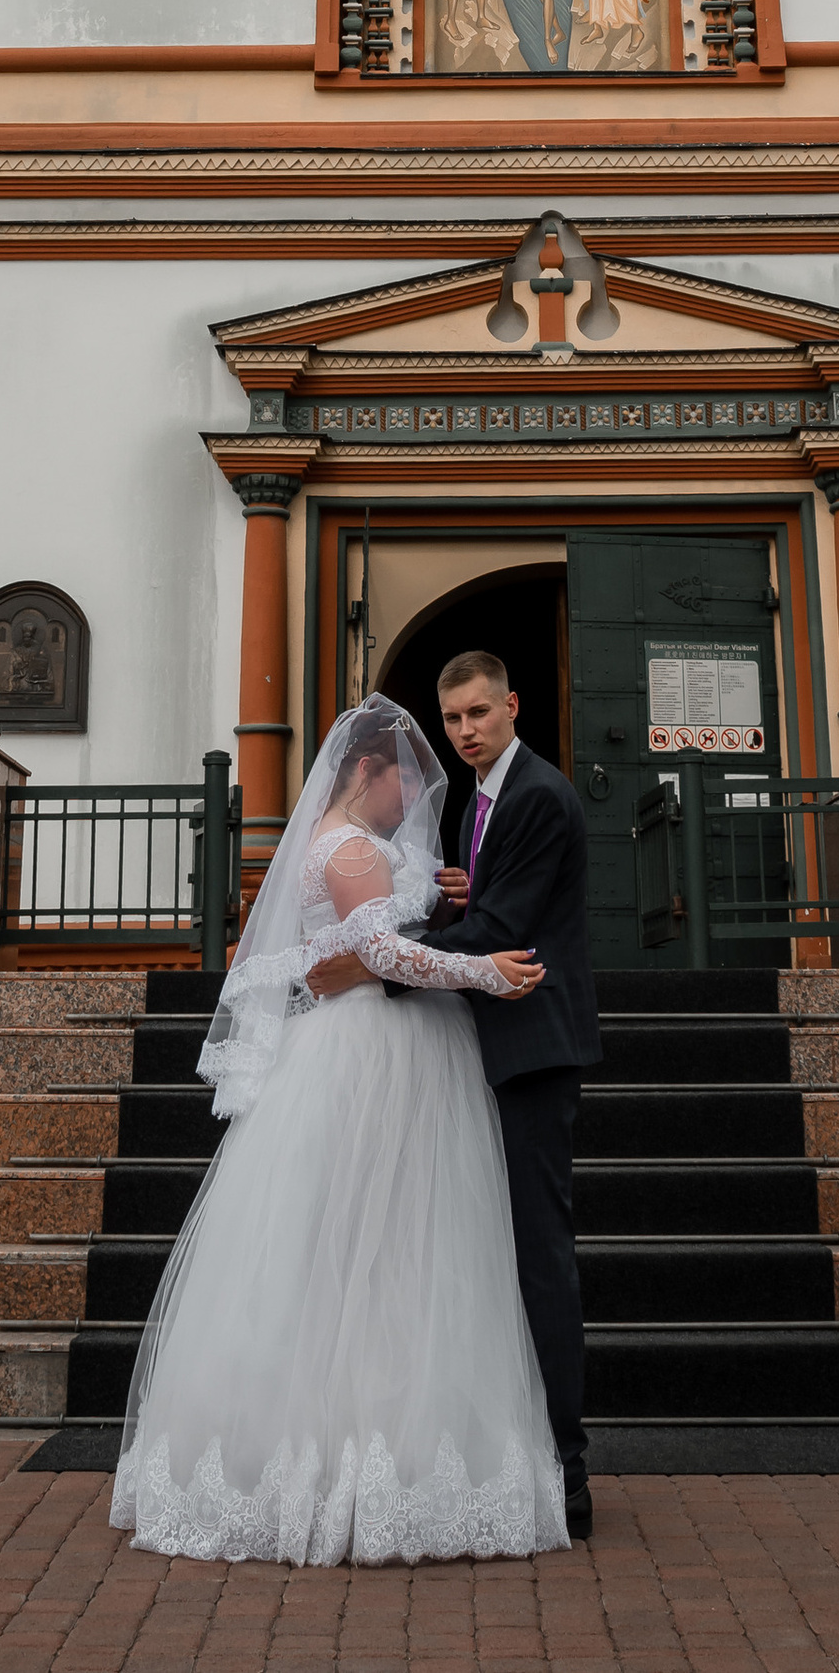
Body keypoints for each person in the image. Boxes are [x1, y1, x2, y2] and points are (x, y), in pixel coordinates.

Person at [109, 697, 567, 1566]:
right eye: (405, 779)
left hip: (371, 1042)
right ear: (367, 770)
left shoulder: (346, 840)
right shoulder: (348, 844)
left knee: (380, 1244)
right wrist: (486, 970)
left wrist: (432, 886)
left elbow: (370, 925)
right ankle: (340, 1457)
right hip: (368, 1051)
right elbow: (381, 953)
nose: (413, 798)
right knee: (371, 1243)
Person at [359, 648, 604, 1543]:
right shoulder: (483, 795)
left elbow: (504, 929)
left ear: (513, 703)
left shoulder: (536, 792)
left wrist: (385, 956)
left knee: (540, 1252)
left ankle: (568, 1469)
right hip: (493, 1041)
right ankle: (520, 1449)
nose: (465, 729)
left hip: (533, 1048)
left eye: (478, 712)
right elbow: (492, 901)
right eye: (452, 717)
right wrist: (460, 897)